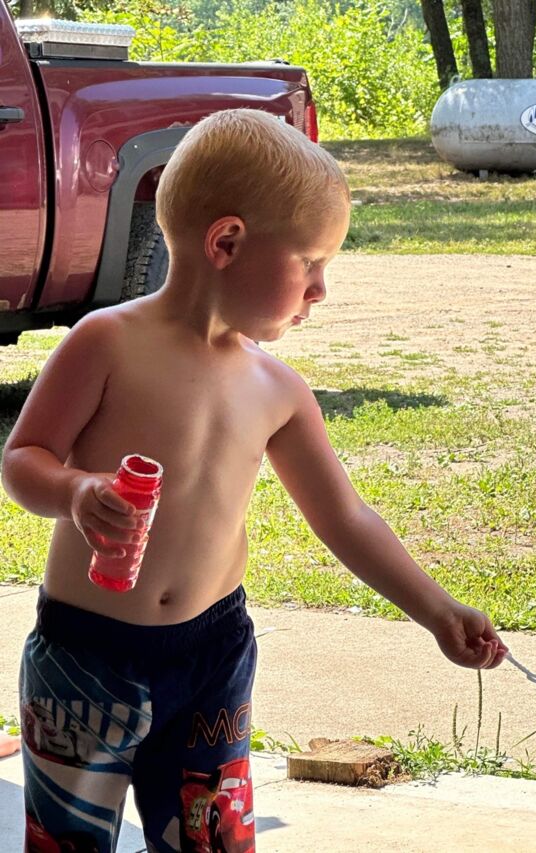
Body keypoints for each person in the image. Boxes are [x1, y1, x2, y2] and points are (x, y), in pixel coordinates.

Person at [1, 109, 508, 853]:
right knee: (66, 844)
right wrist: (75, 492)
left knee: (210, 841)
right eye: (311, 262)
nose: (322, 289)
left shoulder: (278, 391)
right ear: (227, 243)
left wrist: (437, 610)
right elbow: (24, 459)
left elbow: (345, 517)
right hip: (86, 661)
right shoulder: (106, 343)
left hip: (211, 657)